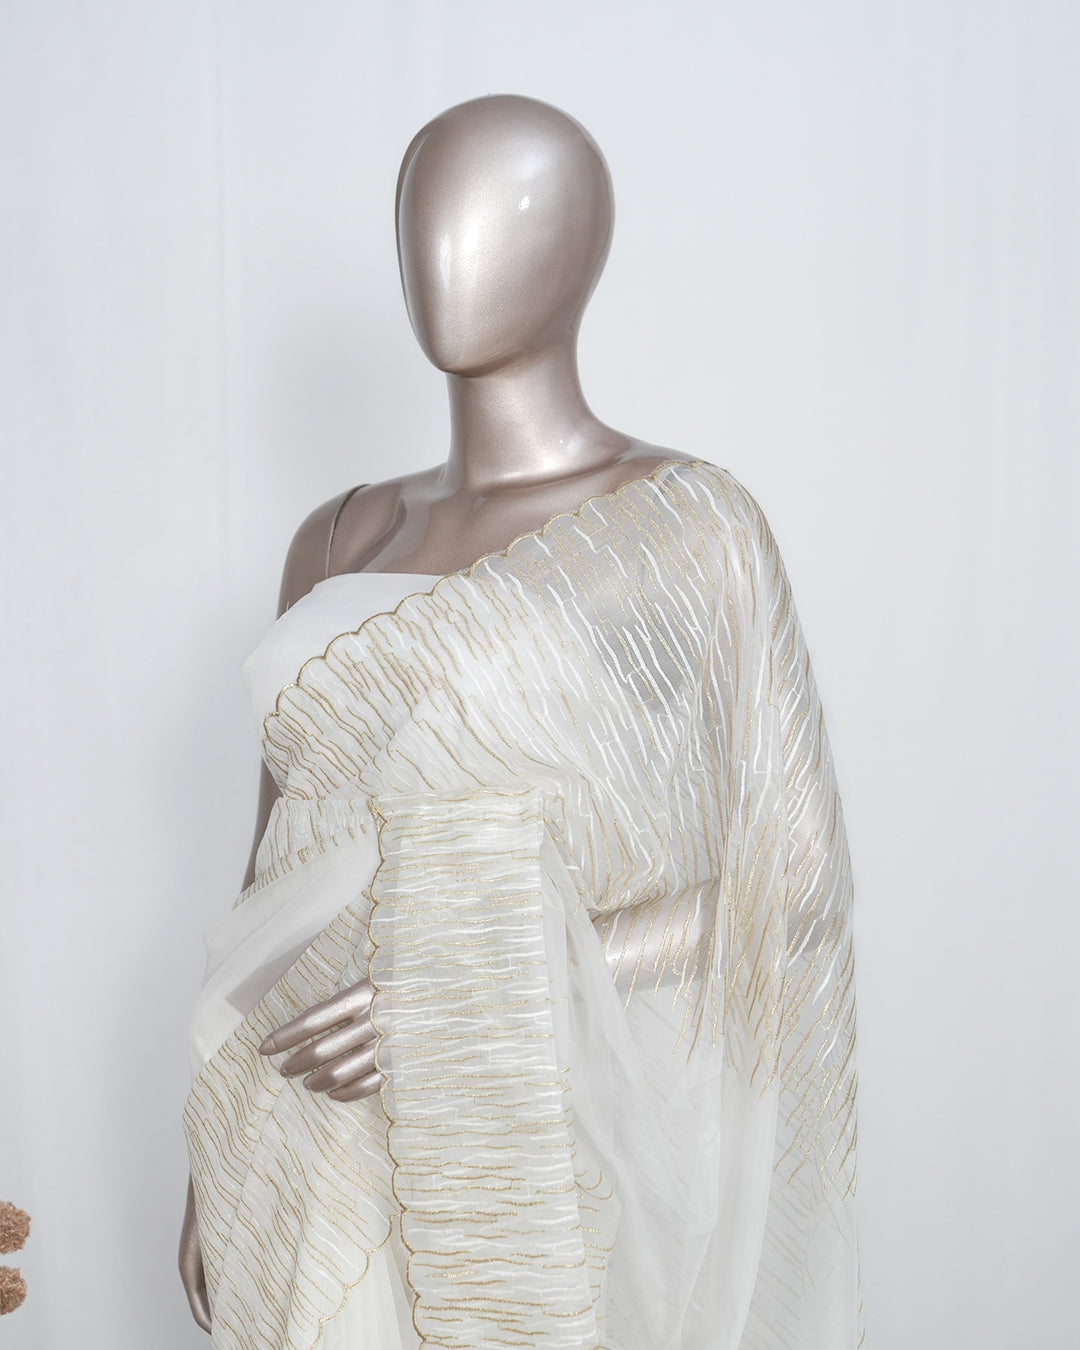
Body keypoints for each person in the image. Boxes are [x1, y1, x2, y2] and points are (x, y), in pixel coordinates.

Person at [181, 94, 862, 1350]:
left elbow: (793, 883)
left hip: (519, 1119)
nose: (449, 251)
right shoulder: (337, 535)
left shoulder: (682, 527)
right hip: (303, 1117)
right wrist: (208, 1154)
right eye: (423, 215)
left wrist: (452, 996)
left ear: (579, 247)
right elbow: (269, 864)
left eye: (494, 213)